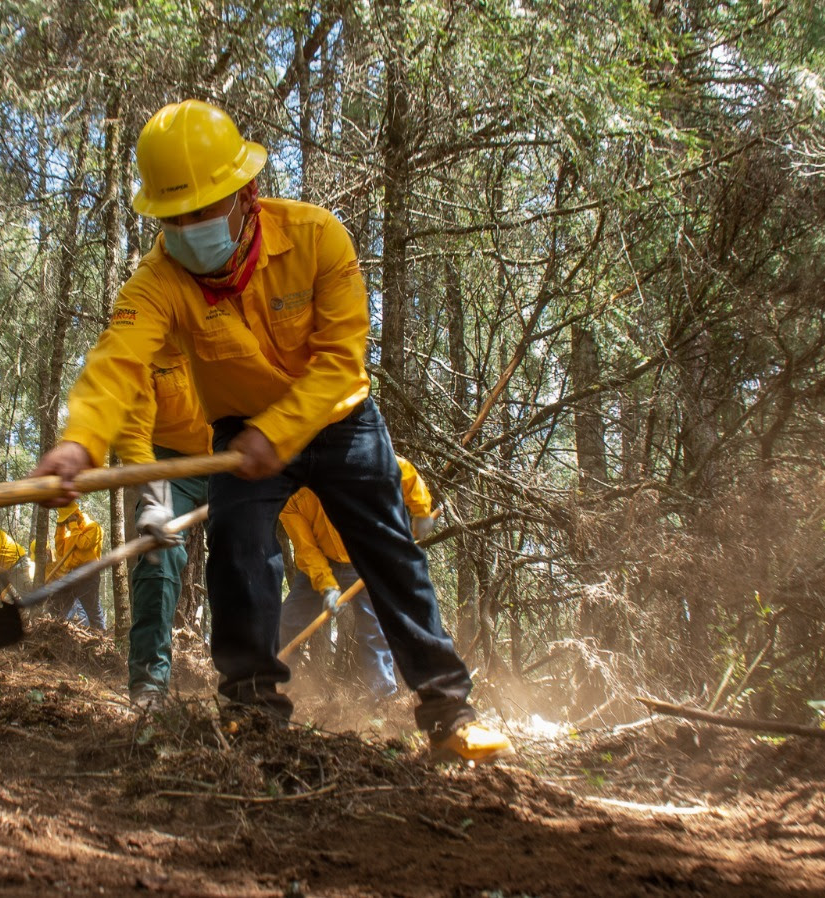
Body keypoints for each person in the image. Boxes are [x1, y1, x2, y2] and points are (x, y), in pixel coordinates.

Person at [30, 99, 509, 761]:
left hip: (341, 420)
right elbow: (118, 363)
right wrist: (79, 441)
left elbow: (343, 363)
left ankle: (450, 714)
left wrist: (280, 432)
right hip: (242, 431)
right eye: (174, 217)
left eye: (203, 210)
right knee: (238, 550)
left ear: (247, 194)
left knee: (389, 553)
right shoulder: (157, 283)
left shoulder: (318, 239)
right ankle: (252, 711)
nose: (189, 229)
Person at [279, 456, 438, 702]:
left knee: (373, 626)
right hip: (322, 561)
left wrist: (422, 510)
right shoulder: (290, 493)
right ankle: (281, 684)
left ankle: (382, 693)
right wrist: (327, 585)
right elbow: (306, 549)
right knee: (287, 621)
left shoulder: (354, 456)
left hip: (365, 556)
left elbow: (404, 471)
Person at [116, 345, 211, 708]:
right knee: (161, 553)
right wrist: (154, 496)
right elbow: (134, 426)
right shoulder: (146, 339)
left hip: (230, 457)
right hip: (169, 463)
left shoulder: (237, 317)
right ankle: (149, 685)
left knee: (247, 550)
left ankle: (248, 685)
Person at [44, 501, 105, 629]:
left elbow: (83, 544)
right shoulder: (71, 533)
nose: (66, 524)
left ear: (75, 515)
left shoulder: (93, 527)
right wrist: (60, 528)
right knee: (58, 603)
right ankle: (52, 633)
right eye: (64, 522)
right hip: (71, 573)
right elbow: (60, 549)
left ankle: (101, 639)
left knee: (92, 610)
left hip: (88, 573)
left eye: (66, 520)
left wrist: (73, 525)